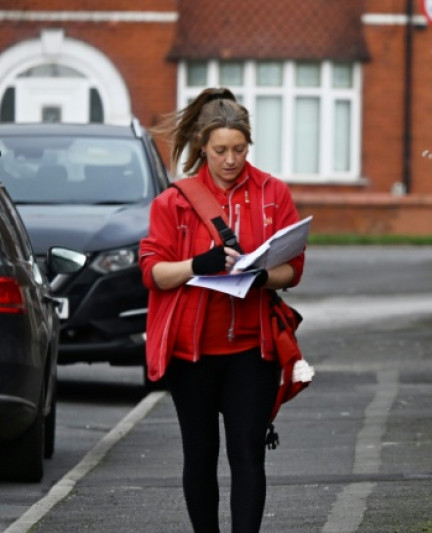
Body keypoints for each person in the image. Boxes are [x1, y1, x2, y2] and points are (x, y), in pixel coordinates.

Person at [139, 87, 305, 533]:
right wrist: (198, 265)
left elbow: (294, 269)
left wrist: (262, 276)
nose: (231, 159)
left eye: (239, 149)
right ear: (201, 147)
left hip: (253, 349)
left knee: (247, 453)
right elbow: (152, 272)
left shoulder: (274, 193)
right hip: (190, 354)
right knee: (200, 455)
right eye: (220, 150)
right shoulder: (173, 202)